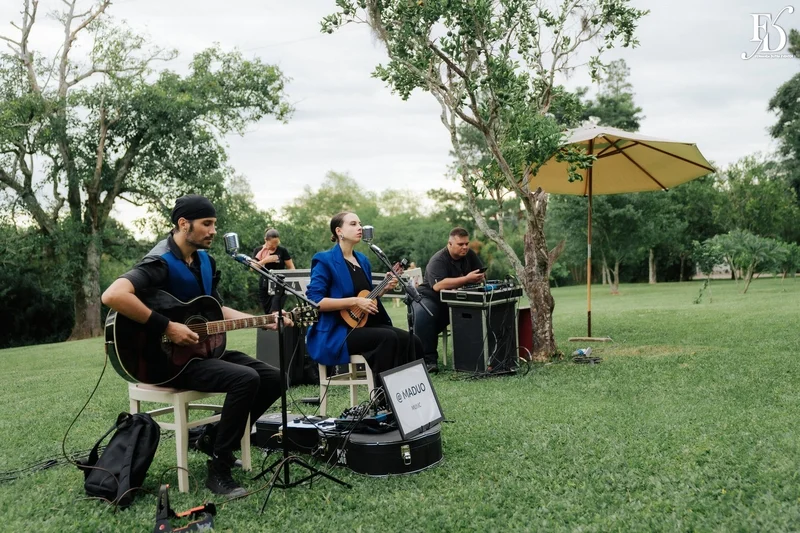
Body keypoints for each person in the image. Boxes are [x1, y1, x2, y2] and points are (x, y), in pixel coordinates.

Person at [101, 194, 287, 498]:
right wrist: (168, 327)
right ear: (183, 224)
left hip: (201, 353)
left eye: (214, 224)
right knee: (245, 378)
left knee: (274, 377)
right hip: (163, 361)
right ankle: (220, 469)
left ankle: (213, 438)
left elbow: (216, 309)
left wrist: (263, 320)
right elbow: (113, 295)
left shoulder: (204, 261)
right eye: (207, 224)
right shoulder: (159, 262)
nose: (213, 230)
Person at [305, 212, 422, 400]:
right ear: (339, 231)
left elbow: (367, 299)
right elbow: (315, 302)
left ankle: (410, 399)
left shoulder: (362, 260)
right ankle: (384, 401)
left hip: (362, 325)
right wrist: (354, 301)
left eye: (360, 223)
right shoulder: (324, 260)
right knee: (387, 338)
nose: (360, 227)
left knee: (412, 341)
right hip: (336, 332)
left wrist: (383, 288)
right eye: (353, 224)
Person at [411, 227, 484, 373]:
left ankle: (478, 355)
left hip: (457, 299)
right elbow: (438, 285)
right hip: (431, 297)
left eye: (466, 244)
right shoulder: (438, 260)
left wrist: (480, 279)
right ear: (450, 244)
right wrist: (466, 279)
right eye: (460, 244)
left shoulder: (470, 255)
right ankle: (428, 361)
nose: (465, 247)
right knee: (424, 314)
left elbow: (480, 273)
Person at [252, 228, 295, 314]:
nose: (275, 246)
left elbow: (291, 267)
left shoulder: (282, 250)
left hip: (280, 284)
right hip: (265, 284)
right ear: (266, 240)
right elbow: (252, 268)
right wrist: (266, 260)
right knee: (268, 311)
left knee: (275, 311)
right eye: (272, 244)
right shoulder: (258, 250)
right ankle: (271, 327)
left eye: (277, 243)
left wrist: (291, 280)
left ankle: (278, 325)